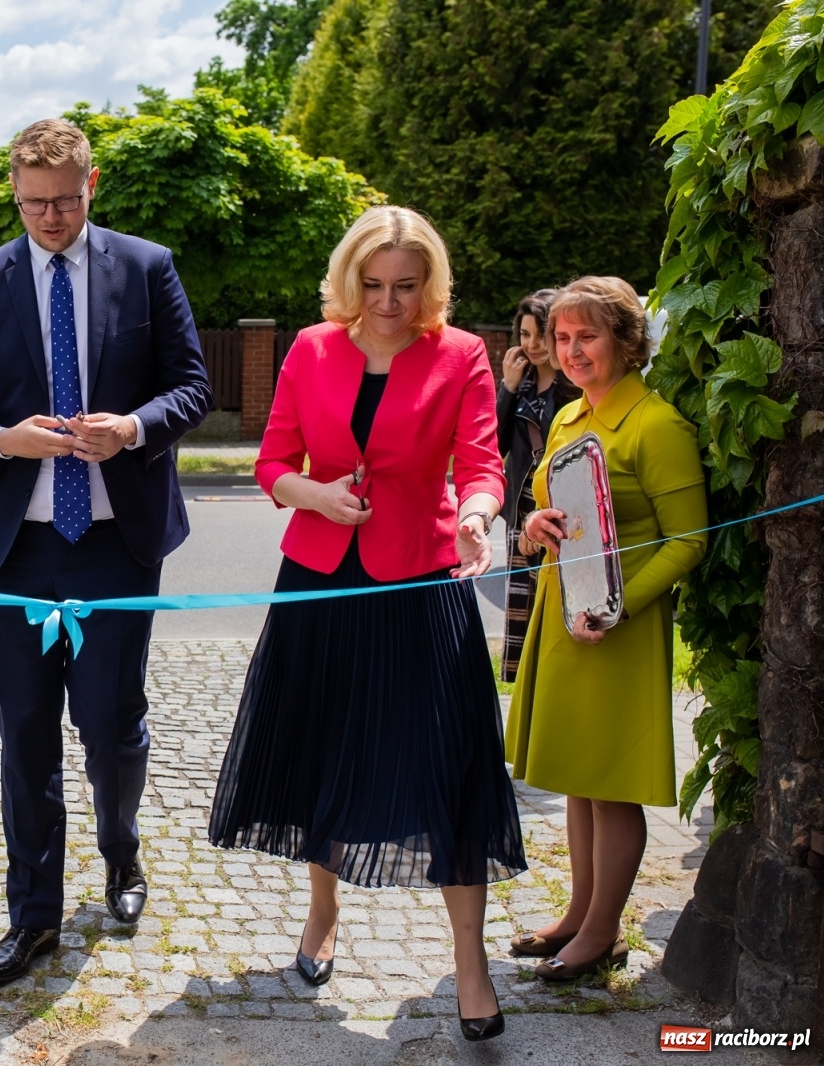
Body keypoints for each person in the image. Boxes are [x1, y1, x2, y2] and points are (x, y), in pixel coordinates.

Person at [207, 205, 526, 1042]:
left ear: (431, 285)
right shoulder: (311, 348)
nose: (388, 303)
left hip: (422, 578)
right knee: (322, 749)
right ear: (350, 280)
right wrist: (316, 495)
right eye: (374, 285)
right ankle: (322, 913)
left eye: (406, 287)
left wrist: (480, 517)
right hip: (320, 580)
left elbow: (482, 463)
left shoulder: (461, 355)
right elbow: (272, 464)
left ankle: (470, 964)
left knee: (452, 766)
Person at [0, 118, 212, 986]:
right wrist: (5, 442)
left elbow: (194, 386)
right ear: (16, 197)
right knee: (26, 737)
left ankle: (121, 856)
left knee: (111, 725)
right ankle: (34, 919)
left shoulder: (147, 267)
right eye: (31, 204)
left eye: (63, 200)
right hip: (14, 550)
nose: (48, 217)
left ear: (92, 188)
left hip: (117, 543)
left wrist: (132, 428)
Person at [505, 277, 707, 980]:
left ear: (626, 340)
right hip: (565, 620)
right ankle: (578, 917)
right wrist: (531, 526)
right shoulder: (566, 420)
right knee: (579, 780)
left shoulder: (658, 425)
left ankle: (601, 934)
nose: (571, 350)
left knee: (611, 783)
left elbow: (689, 541)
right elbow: (541, 507)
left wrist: (618, 607)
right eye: (562, 339)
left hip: (619, 627)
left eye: (586, 336)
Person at [496, 289, 579, 681]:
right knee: (524, 624)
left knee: (557, 616)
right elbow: (491, 446)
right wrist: (507, 388)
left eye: (540, 335)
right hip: (520, 518)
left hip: (561, 517)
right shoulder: (520, 386)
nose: (531, 345)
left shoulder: (574, 388)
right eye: (524, 335)